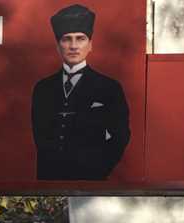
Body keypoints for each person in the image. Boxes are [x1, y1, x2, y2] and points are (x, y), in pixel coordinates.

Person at [30, 3, 131, 181]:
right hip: (50, 179)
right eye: (66, 39)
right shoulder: (42, 89)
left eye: (80, 38)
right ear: (58, 46)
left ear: (90, 44)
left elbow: (121, 136)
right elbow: (41, 138)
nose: (73, 46)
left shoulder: (109, 88)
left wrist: (98, 170)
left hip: (91, 180)